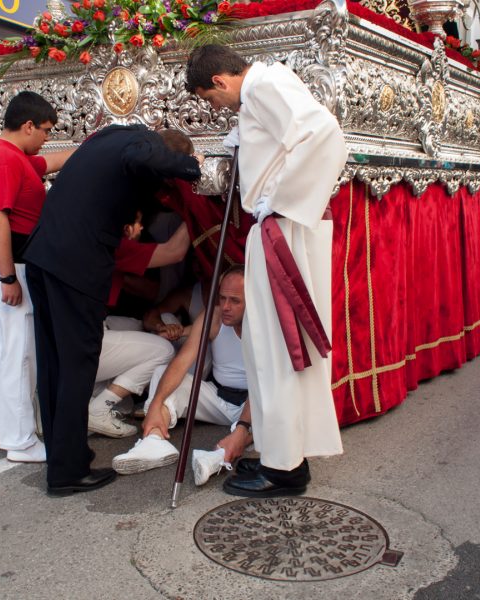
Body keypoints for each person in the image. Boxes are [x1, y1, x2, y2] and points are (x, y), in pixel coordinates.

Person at [185, 44, 347, 497]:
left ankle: (284, 469)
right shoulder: (259, 93)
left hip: (283, 228)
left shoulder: (265, 86)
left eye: (209, 98)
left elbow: (324, 135)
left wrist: (277, 200)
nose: (214, 108)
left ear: (220, 80)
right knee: (273, 347)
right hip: (281, 226)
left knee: (276, 347)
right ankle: (286, 455)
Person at [23, 123, 201, 497]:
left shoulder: (108, 137)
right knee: (77, 365)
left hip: (44, 257)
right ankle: (67, 472)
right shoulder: (143, 145)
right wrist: (193, 166)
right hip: (76, 265)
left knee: (55, 361)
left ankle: (64, 455)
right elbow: (146, 157)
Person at [0, 91, 74, 463]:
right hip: (10, 264)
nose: (47, 137)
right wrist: (7, 277)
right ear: (27, 125)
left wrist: (86, 148)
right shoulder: (3, 159)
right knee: (18, 354)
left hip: (4, 264)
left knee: (1, 351)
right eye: (45, 130)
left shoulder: (12, 156)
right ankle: (19, 439)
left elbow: (48, 162)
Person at [112, 266, 253, 487]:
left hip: (253, 404)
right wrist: (155, 405)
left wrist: (244, 426)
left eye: (235, 301)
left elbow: (265, 386)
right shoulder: (214, 316)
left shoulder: (264, 324)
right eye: (222, 298)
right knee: (163, 372)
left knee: (274, 403)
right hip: (220, 398)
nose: (225, 306)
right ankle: (154, 442)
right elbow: (182, 362)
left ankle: (218, 457)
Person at [87, 212, 193, 438]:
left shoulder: (86, 237)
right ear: (125, 229)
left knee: (136, 327)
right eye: (137, 223)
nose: (142, 228)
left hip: (74, 334)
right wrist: (194, 212)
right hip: (85, 340)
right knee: (163, 350)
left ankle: (95, 397)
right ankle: (100, 407)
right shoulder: (115, 245)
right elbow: (175, 252)